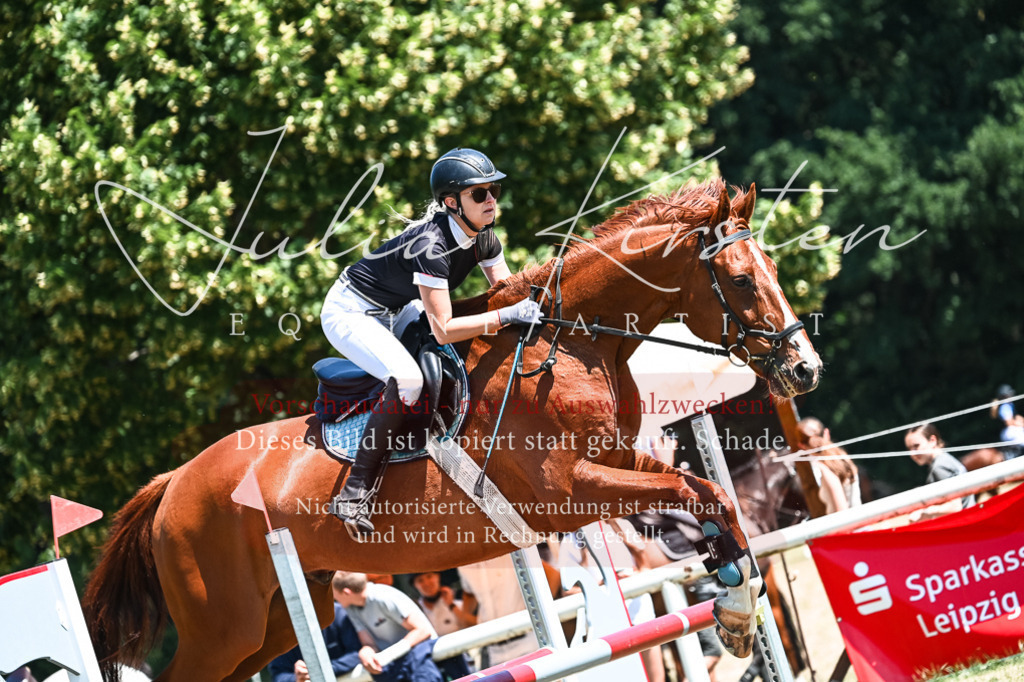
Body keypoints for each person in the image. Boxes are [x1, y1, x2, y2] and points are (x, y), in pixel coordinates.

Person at [321, 148, 542, 539]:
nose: (491, 200)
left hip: (397, 306)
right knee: (409, 380)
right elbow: (445, 327)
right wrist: (507, 316)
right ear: (452, 202)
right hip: (351, 312)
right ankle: (354, 493)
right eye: (480, 194)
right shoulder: (431, 246)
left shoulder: (484, 238)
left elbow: (507, 294)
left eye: (493, 191)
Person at [332, 571, 452, 682]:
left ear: (346, 593)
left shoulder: (382, 596)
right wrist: (365, 653)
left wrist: (389, 654)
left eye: (333, 593)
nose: (333, 598)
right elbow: (369, 644)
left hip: (423, 661)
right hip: (396, 668)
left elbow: (422, 630)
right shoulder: (351, 609)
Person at [267, 601, 362, 682]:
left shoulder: (336, 613)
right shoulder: (280, 634)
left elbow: (357, 653)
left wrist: (322, 670)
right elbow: (278, 676)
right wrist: (296, 677)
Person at [905, 423, 976, 518]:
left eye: (916, 446)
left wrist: (924, 513)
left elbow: (955, 506)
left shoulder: (940, 466)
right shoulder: (944, 460)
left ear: (932, 441)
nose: (912, 453)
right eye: (909, 449)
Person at [796, 417, 861, 513]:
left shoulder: (825, 468)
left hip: (846, 526)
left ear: (801, 445)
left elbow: (841, 511)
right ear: (826, 433)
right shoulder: (842, 457)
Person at [410, 572, 477, 636]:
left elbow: (473, 626)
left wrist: (451, 605)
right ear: (415, 585)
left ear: (438, 576)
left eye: (429, 576)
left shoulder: (458, 602)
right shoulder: (413, 611)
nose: (426, 583)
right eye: (420, 580)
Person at [992, 384, 1024, 460]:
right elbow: (1008, 422)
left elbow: (1016, 417)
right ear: (1005, 396)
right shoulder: (1005, 406)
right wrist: (1019, 423)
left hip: (1012, 430)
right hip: (1010, 431)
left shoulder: (1009, 405)